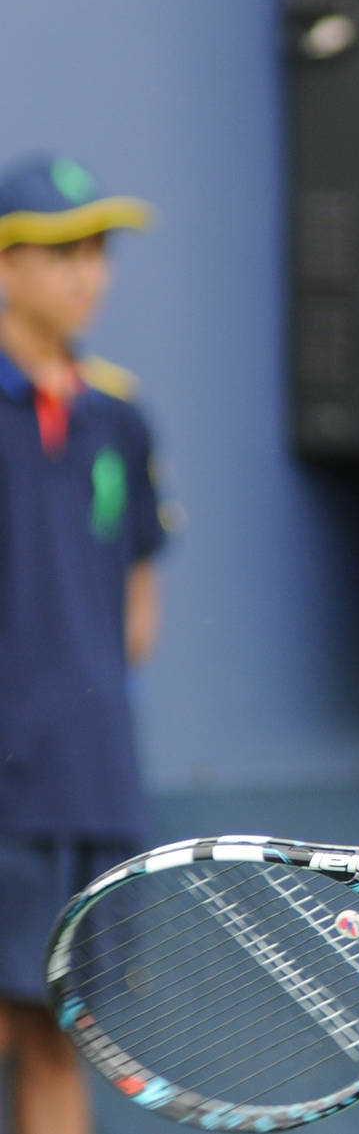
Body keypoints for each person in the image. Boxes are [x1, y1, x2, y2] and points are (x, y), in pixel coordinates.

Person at [0, 154, 166, 1134]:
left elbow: (136, 611)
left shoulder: (120, 416)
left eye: (97, 248)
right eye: (60, 250)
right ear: (6, 266)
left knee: (63, 1035)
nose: (86, 273)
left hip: (92, 780)